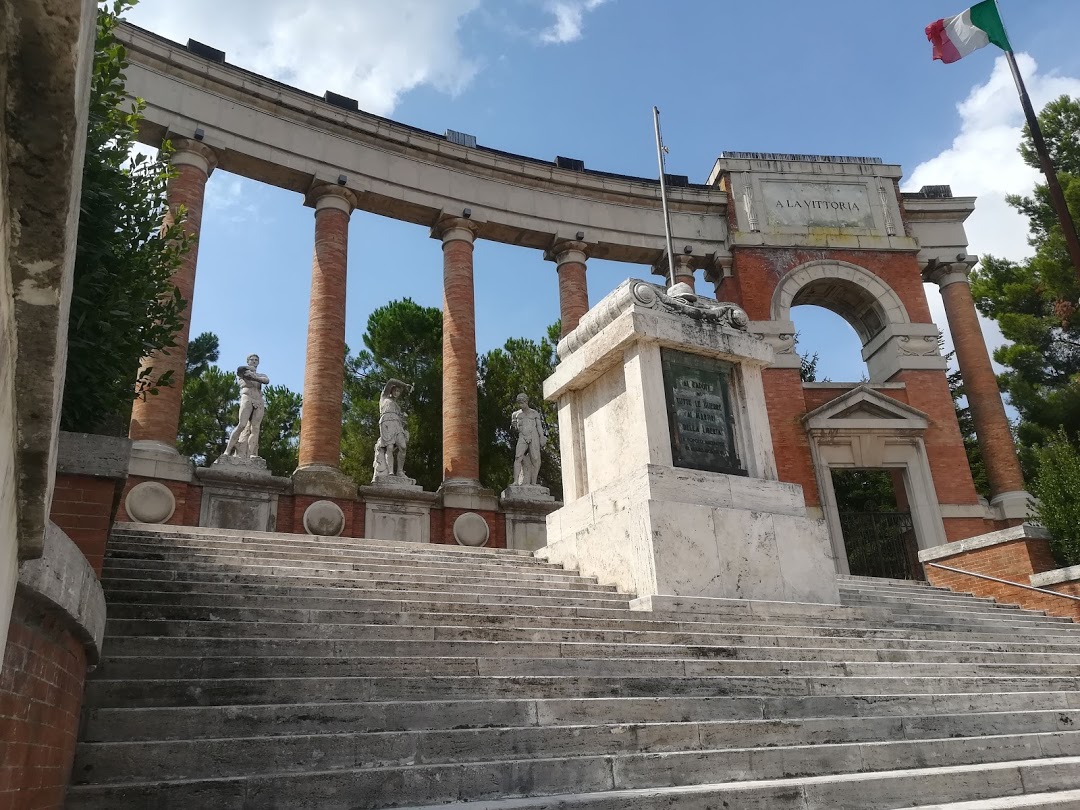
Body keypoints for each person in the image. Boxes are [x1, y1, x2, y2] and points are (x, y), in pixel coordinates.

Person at [223, 354, 270, 459]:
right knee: (242, 425)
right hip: (247, 397)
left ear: (258, 362)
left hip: (258, 400)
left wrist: (254, 376)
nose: (254, 361)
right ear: (248, 361)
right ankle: (227, 451)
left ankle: (252, 453)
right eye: (251, 360)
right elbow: (240, 370)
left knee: (255, 428)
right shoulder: (243, 372)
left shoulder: (261, 374)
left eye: (256, 360)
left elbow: (266, 380)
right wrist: (250, 371)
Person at [373, 378, 413, 478]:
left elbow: (402, 419)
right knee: (389, 447)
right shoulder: (384, 397)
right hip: (386, 422)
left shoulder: (397, 406)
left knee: (403, 447)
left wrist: (404, 417)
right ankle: (390, 472)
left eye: (398, 391)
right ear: (391, 390)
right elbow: (391, 381)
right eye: (395, 390)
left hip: (397, 424)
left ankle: (400, 471)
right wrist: (404, 384)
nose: (396, 392)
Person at [511, 393, 546, 486]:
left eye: (522, 403)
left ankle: (534, 482)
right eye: (519, 403)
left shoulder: (534, 413)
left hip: (533, 434)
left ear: (526, 402)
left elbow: (539, 426)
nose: (520, 405)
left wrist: (541, 436)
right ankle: (516, 481)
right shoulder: (515, 414)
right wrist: (515, 427)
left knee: (535, 458)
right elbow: (514, 427)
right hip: (522, 435)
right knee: (518, 457)